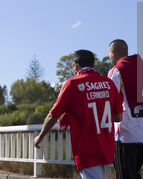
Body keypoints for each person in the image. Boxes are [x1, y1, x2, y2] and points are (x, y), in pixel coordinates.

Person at [34, 49, 123, 179]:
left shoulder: (72, 84)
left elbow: (53, 115)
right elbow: (118, 116)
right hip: (106, 147)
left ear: (75, 66)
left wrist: (40, 137)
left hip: (87, 149)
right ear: (94, 66)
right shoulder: (109, 83)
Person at [107, 39, 143, 179]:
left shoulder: (116, 70)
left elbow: (109, 97)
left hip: (126, 134)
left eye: (109, 55)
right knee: (133, 175)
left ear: (113, 52)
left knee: (124, 176)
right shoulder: (142, 69)